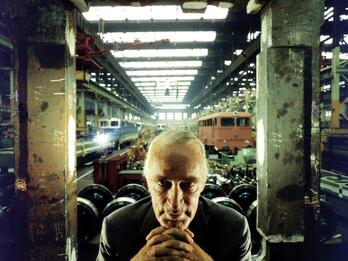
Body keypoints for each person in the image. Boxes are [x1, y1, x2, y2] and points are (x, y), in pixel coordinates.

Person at [96, 130, 251, 261]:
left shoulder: (234, 228)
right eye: (162, 183)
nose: (175, 203)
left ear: (203, 183)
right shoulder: (115, 227)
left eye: (188, 184)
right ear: (147, 183)